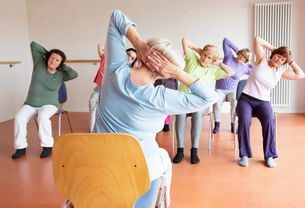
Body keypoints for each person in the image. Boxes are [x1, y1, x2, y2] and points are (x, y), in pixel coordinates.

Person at [93, 10, 218, 207]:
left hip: (97, 168)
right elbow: (209, 97)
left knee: (161, 159)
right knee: (163, 160)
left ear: (140, 57)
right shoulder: (161, 98)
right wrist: (177, 72)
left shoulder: (114, 71)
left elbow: (116, 16)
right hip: (137, 174)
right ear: (163, 74)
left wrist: (139, 44)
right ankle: (163, 202)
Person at [236, 36, 305, 168]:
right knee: (245, 120)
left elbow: (301, 75)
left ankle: (270, 156)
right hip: (246, 99)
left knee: (269, 121)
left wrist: (290, 61)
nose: (279, 60)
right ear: (274, 54)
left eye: (283, 59)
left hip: (263, 102)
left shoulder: (281, 71)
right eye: (278, 56)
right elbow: (257, 39)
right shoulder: (261, 59)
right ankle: (244, 155)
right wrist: (275, 49)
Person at [173, 38, 235, 164]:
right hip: (184, 99)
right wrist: (201, 50)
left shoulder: (214, 70)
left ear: (213, 60)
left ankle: (194, 151)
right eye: (204, 56)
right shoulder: (192, 59)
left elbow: (231, 72)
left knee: (197, 112)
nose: (205, 59)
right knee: (180, 114)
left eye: (209, 58)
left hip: (200, 102)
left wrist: (219, 63)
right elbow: (185, 40)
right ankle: (180, 150)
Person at [11, 41, 78, 159]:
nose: (53, 61)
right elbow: (33, 45)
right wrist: (49, 54)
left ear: (60, 63)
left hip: (50, 104)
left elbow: (74, 74)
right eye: (52, 58)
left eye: (57, 60)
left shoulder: (61, 74)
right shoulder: (39, 63)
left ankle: (48, 146)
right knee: (19, 118)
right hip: (31, 103)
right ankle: (20, 147)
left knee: (43, 117)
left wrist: (62, 64)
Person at [89, 43, 137, 132]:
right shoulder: (108, 59)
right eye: (128, 54)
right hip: (98, 90)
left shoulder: (129, 70)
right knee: (93, 109)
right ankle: (92, 132)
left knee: (108, 114)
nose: (129, 58)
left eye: (133, 58)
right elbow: (100, 46)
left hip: (111, 94)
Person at [213, 37, 253, 134]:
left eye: (244, 57)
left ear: (246, 60)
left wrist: (249, 63)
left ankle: (232, 125)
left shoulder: (244, 68)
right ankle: (217, 124)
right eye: (241, 54)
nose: (241, 57)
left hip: (232, 90)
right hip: (220, 89)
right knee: (217, 102)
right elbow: (226, 40)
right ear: (238, 53)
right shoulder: (228, 57)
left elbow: (255, 71)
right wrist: (238, 50)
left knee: (234, 102)